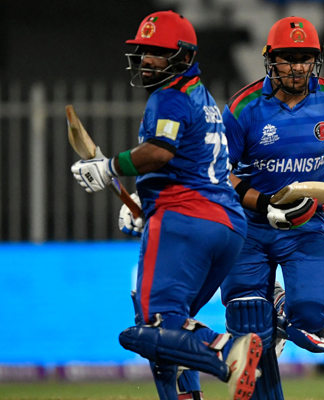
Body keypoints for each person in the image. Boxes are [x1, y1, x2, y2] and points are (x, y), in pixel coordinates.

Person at [70, 11, 262, 400]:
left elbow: (159, 151)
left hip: (185, 218)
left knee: (148, 329)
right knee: (171, 326)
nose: (146, 60)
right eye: (143, 52)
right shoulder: (202, 97)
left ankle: (229, 351)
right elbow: (192, 164)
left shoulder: (170, 96)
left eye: (158, 52)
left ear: (184, 56)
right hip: (226, 226)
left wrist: (109, 168)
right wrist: (145, 201)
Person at [219, 16, 324, 399]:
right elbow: (219, 172)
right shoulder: (244, 108)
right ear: (270, 59)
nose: (297, 67)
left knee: (313, 326)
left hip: (307, 224)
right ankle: (270, 310)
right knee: (248, 326)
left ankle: (283, 310)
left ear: (317, 59)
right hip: (249, 226)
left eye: (305, 58)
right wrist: (264, 202)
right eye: (288, 58)